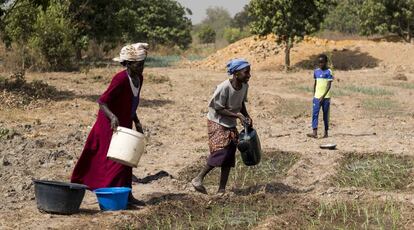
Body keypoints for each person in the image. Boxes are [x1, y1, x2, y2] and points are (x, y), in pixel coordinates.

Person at [71, 43, 148, 205]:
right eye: (138, 64)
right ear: (127, 64)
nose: (141, 67)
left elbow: (131, 104)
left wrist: (137, 121)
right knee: (115, 161)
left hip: (124, 123)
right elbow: (102, 101)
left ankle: (127, 195)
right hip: (109, 124)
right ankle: (109, 195)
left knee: (126, 160)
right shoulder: (120, 79)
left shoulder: (139, 79)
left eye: (143, 64)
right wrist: (112, 117)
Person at [191, 58, 252, 195]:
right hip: (217, 121)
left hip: (230, 122)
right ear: (236, 73)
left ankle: (222, 189)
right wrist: (238, 116)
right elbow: (218, 109)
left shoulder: (244, 86)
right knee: (220, 151)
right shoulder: (224, 87)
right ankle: (198, 178)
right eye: (246, 72)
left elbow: (241, 103)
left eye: (249, 72)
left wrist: (246, 116)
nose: (249, 75)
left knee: (230, 153)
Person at [307, 54, 334, 138]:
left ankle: (326, 132)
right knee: (315, 114)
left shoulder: (329, 72)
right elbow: (315, 83)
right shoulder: (316, 71)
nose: (320, 64)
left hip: (325, 98)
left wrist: (323, 96)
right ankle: (314, 132)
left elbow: (329, 86)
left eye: (322, 62)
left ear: (326, 62)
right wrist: (315, 95)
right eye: (319, 62)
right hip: (317, 97)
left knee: (325, 115)